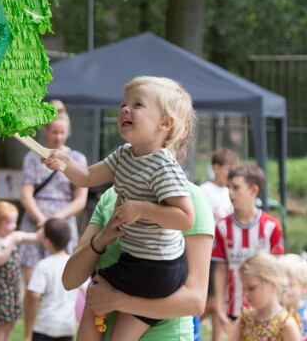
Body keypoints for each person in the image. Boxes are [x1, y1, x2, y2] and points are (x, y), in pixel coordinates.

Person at [45, 76, 195, 340]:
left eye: (137, 105)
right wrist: (65, 162)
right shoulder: (125, 154)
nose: (125, 109)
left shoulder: (163, 166)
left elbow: (185, 218)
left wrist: (141, 209)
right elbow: (88, 177)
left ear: (165, 123)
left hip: (157, 268)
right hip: (137, 260)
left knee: (98, 298)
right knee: (98, 304)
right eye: (123, 104)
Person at [19, 100, 88, 284]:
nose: (59, 137)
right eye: (55, 132)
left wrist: (55, 219)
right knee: (33, 283)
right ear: (46, 131)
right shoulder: (33, 157)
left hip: (62, 223)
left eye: (62, 133)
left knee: (61, 280)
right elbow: (26, 194)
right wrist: (42, 220)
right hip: (36, 221)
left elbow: (80, 200)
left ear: (68, 133)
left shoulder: (77, 158)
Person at [211, 163, 285, 333]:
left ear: (254, 191)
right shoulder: (222, 227)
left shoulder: (271, 226)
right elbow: (220, 269)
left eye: (236, 188)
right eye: (228, 187)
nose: (230, 193)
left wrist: (280, 304)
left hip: (266, 311)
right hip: (234, 309)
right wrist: (219, 307)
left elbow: (278, 272)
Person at [0, 200, 39, 341]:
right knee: (3, 324)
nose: (13, 226)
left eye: (14, 222)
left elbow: (36, 237)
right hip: (2, 290)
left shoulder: (13, 236)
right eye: (8, 222)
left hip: (13, 288)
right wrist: (12, 243)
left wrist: (46, 225)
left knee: (11, 322)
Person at [200, 148, 238, 341]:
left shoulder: (230, 191)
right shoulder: (205, 190)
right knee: (213, 302)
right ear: (216, 168)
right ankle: (190, 325)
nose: (231, 174)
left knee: (220, 302)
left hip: (227, 252)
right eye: (228, 169)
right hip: (210, 252)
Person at [24, 218, 81, 341]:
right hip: (67, 327)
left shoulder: (44, 265)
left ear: (47, 241)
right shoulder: (74, 264)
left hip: (45, 326)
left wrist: (28, 331)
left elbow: (33, 294)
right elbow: (86, 289)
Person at [226, 253, 301, 341]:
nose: (246, 294)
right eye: (244, 289)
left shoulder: (286, 324)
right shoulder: (244, 321)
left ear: (272, 285)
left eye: (251, 288)